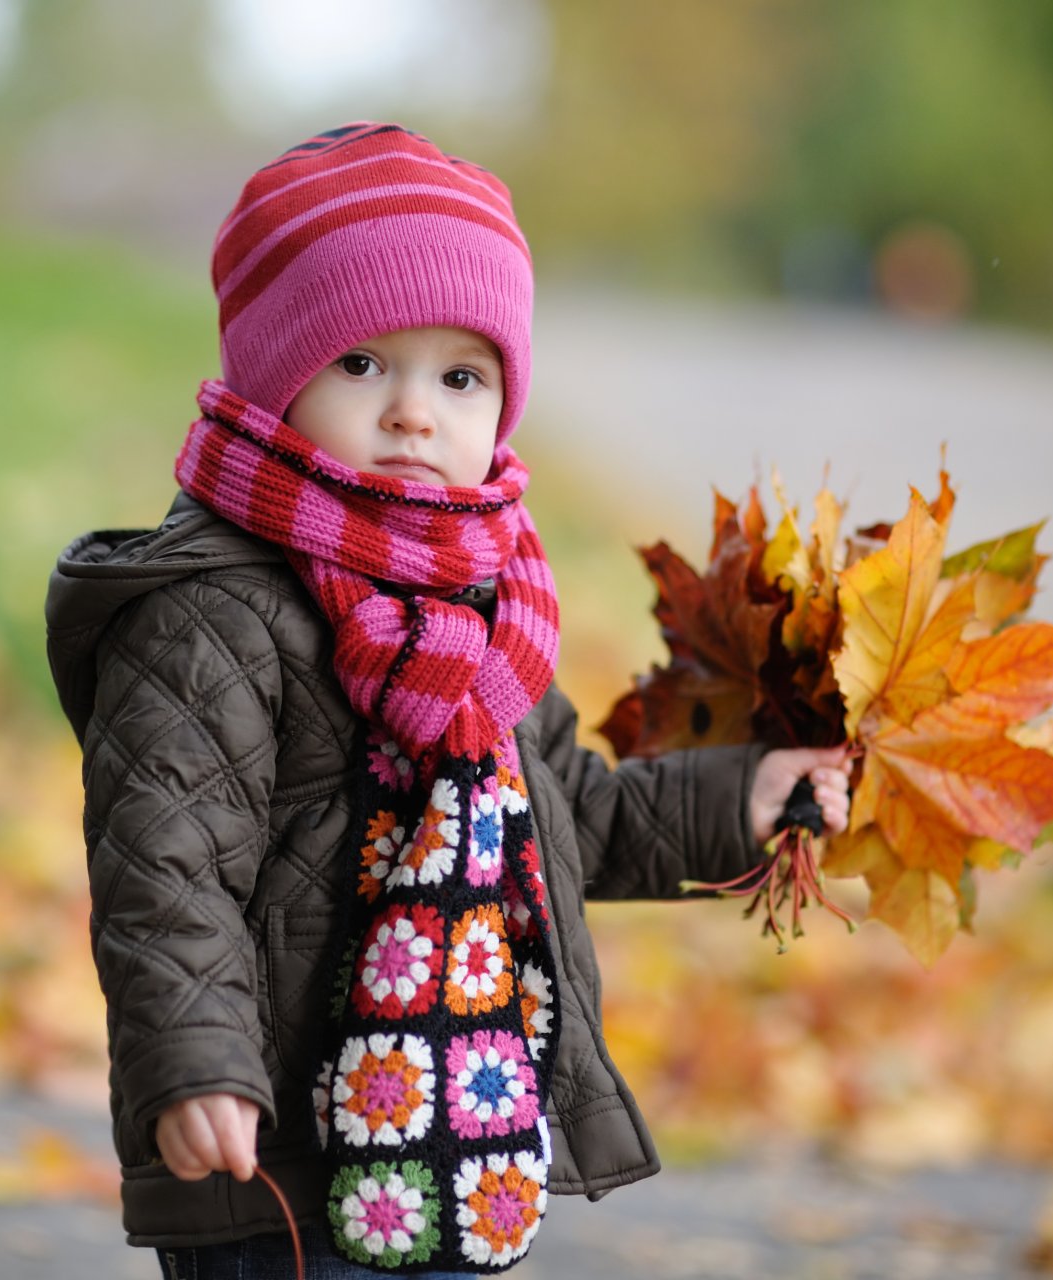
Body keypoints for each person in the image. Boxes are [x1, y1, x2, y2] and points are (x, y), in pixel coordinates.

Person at [44, 122, 852, 1278]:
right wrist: (198, 1062)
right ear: (274, 378)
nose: (415, 412)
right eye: (363, 363)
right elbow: (167, 870)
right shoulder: (208, 612)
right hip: (280, 1145)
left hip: (459, 1122)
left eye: (460, 376)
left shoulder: (483, 610)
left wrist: (745, 796)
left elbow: (572, 813)